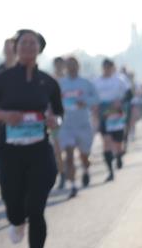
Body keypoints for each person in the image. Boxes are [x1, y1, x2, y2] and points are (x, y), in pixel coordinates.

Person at [0, 29, 63, 248]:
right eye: (23, 43)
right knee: (14, 206)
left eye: (32, 43)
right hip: (10, 152)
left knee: (36, 209)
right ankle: (17, 222)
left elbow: (59, 114)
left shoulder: (48, 82)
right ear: (15, 48)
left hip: (39, 151)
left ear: (39, 48)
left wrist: (53, 120)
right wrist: (4, 117)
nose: (27, 47)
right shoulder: (2, 79)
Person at [57, 56, 98, 198]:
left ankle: (86, 170)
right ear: (65, 67)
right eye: (69, 65)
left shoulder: (86, 83)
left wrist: (85, 102)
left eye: (74, 64)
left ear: (78, 66)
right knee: (68, 155)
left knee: (84, 155)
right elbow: (54, 101)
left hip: (83, 124)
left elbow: (96, 98)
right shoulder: (61, 84)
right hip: (67, 125)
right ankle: (73, 185)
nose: (71, 67)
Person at [93, 58, 131, 181]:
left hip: (116, 112)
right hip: (103, 112)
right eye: (105, 67)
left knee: (118, 142)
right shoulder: (96, 82)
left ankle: (119, 155)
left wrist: (121, 102)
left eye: (109, 67)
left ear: (113, 68)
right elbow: (93, 97)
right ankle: (110, 171)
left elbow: (129, 94)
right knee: (106, 141)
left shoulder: (120, 80)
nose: (107, 69)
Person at [51, 56, 67, 190]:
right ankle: (62, 174)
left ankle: (69, 169)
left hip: (71, 118)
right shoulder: (50, 80)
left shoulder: (70, 80)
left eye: (61, 65)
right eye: (57, 65)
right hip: (57, 117)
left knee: (69, 147)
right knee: (58, 149)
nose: (59, 67)